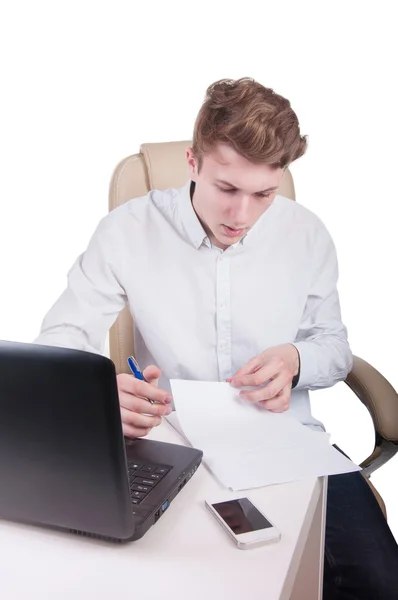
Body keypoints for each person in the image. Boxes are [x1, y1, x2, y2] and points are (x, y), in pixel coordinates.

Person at [34, 77, 398, 598]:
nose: (241, 215)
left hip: (290, 445)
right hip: (169, 442)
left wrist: (296, 359)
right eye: (227, 188)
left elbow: (334, 347)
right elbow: (60, 337)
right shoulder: (127, 230)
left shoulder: (307, 234)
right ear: (192, 162)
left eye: (263, 194)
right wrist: (94, 394)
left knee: (377, 580)